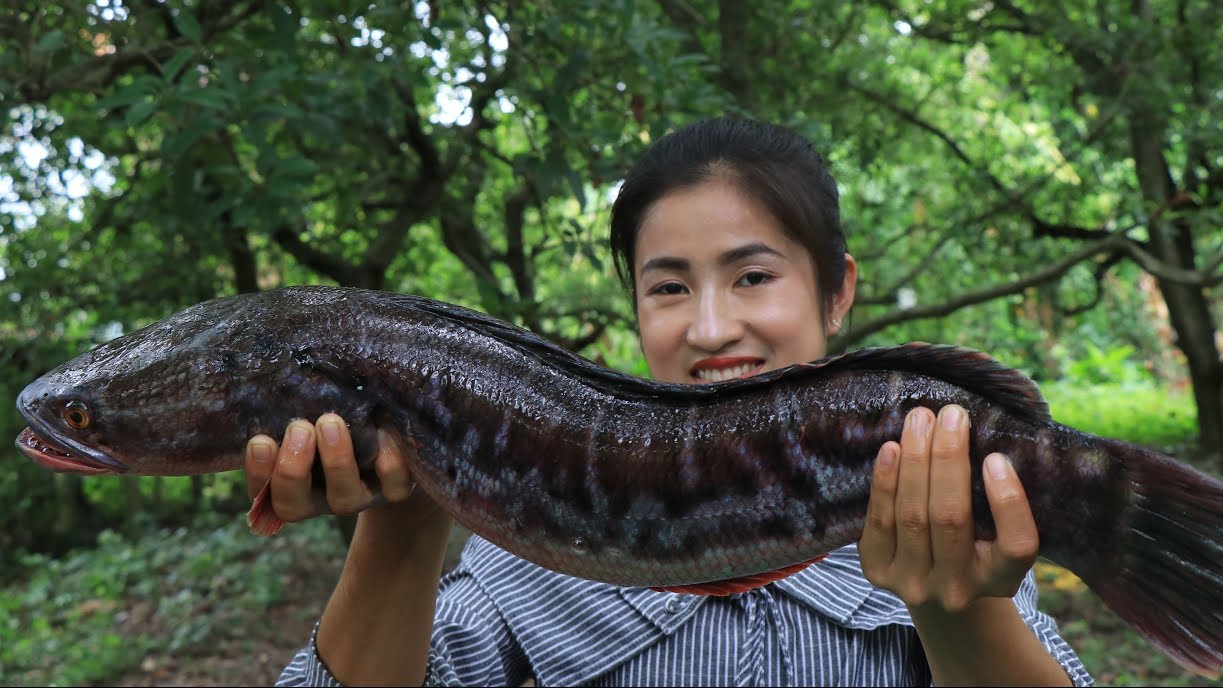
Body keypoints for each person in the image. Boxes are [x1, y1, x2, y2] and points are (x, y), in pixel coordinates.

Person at [251, 117, 1092, 686]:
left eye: (753, 276)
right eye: (668, 287)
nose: (711, 327)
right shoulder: (524, 560)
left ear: (837, 292)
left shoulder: (945, 503)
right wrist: (404, 520)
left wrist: (952, 604)